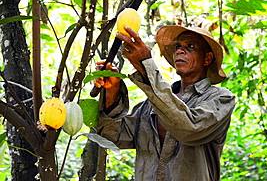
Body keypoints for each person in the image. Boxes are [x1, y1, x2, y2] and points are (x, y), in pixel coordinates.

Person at [95, 25, 235, 181]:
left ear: (207, 58)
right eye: (177, 47)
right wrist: (112, 89)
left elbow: (189, 128)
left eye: (190, 46)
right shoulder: (151, 104)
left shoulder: (221, 99)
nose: (180, 51)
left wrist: (146, 67)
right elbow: (112, 136)